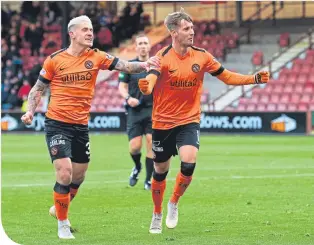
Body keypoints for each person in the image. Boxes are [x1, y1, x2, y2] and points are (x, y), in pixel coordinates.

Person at [21, 15, 160, 240]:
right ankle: (63, 224)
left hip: (80, 126)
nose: (90, 33)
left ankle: (59, 207)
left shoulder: (96, 56)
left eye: (91, 29)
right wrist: (30, 111)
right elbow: (38, 88)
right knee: (64, 172)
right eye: (85, 29)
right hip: (57, 123)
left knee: (79, 175)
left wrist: (144, 65)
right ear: (72, 33)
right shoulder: (54, 60)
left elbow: (124, 65)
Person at [138, 8, 269, 234]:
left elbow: (226, 76)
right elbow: (151, 79)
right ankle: (157, 212)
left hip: (189, 120)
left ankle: (174, 203)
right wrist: (146, 86)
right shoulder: (162, 57)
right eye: (186, 28)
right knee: (160, 170)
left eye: (192, 28)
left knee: (189, 163)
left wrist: (253, 78)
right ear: (173, 33)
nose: (192, 32)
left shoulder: (202, 55)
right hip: (162, 123)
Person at [118, 34, 154, 191]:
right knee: (134, 147)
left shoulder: (156, 65)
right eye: (140, 43)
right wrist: (127, 98)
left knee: (152, 144)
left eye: (146, 43)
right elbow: (121, 86)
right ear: (136, 46)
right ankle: (137, 167)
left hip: (153, 110)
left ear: (149, 46)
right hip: (134, 110)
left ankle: (148, 180)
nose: (143, 45)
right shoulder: (129, 65)